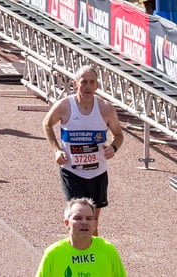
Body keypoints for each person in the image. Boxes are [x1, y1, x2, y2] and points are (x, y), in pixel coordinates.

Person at [42, 65, 126, 230]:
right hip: (72, 172)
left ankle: (92, 254)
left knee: (92, 222)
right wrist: (56, 150)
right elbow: (47, 124)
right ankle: (73, 253)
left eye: (91, 82)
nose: (88, 86)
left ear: (97, 86)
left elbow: (119, 135)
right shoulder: (64, 106)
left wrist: (113, 148)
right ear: (75, 84)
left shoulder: (105, 109)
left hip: (97, 173)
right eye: (84, 82)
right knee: (77, 218)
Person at [34, 198, 125, 276]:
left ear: (94, 224)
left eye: (89, 218)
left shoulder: (108, 250)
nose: (84, 222)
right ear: (67, 223)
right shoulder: (53, 254)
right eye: (78, 218)